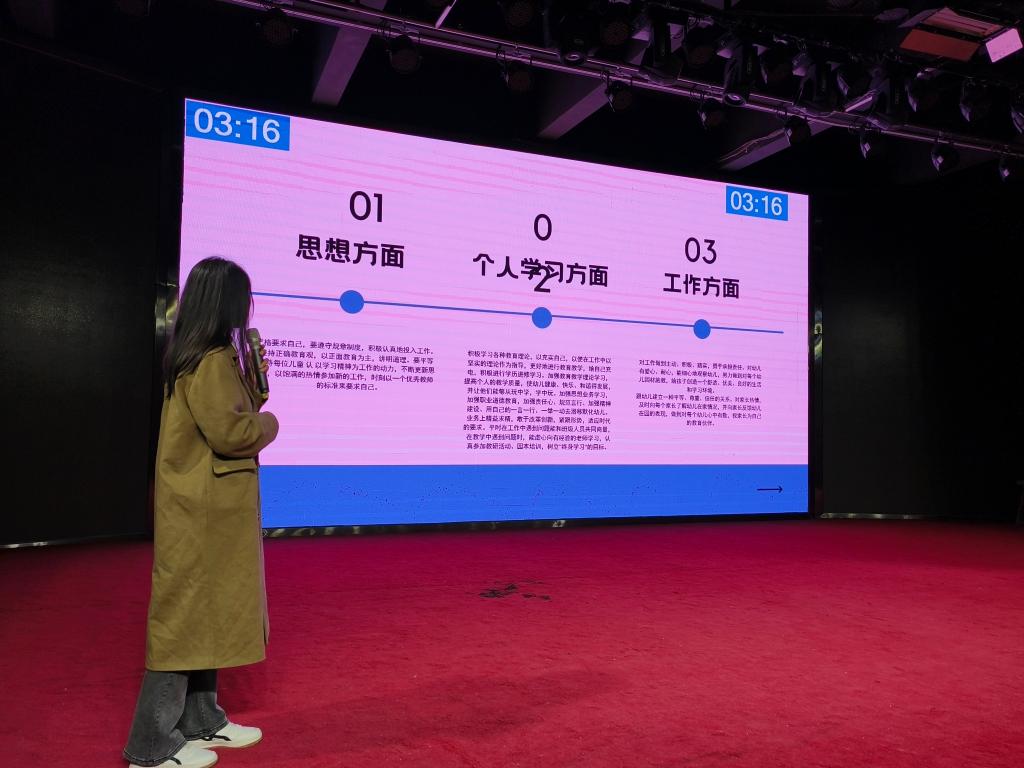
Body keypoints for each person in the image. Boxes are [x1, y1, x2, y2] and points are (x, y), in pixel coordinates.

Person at [123, 257, 280, 768]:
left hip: (205, 512)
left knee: (204, 613)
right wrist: (270, 423)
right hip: (202, 514)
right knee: (184, 619)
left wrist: (253, 382)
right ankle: (151, 745)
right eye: (244, 297)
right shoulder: (209, 361)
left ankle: (201, 718)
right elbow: (233, 434)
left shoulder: (199, 356)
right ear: (227, 302)